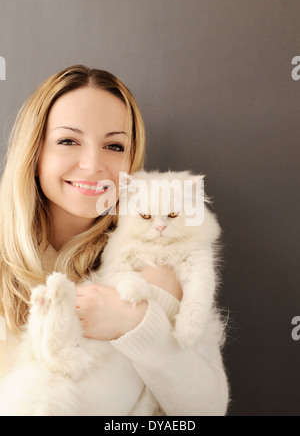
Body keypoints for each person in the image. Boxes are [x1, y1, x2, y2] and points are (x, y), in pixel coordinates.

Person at [0, 65, 229, 415]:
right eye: (68, 141)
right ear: (35, 152)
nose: (93, 165)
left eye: (113, 145)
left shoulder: (156, 256)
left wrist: (137, 324)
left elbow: (205, 409)